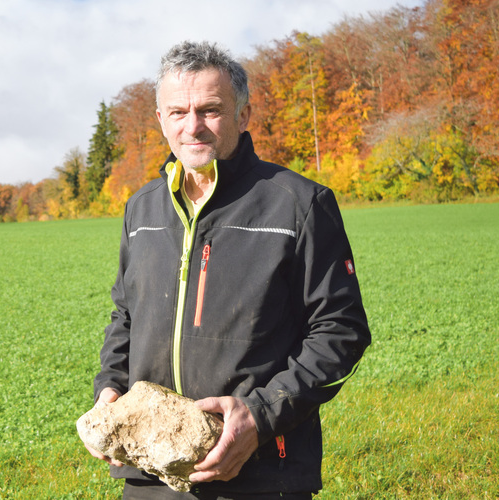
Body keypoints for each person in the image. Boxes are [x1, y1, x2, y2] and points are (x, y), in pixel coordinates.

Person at [83, 41, 371, 499]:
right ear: (160, 120)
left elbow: (341, 331)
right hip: (149, 472)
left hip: (258, 471)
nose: (192, 126)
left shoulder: (298, 205)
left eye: (210, 110)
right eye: (177, 112)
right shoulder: (141, 210)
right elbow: (125, 317)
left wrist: (259, 417)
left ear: (244, 115)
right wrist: (109, 389)